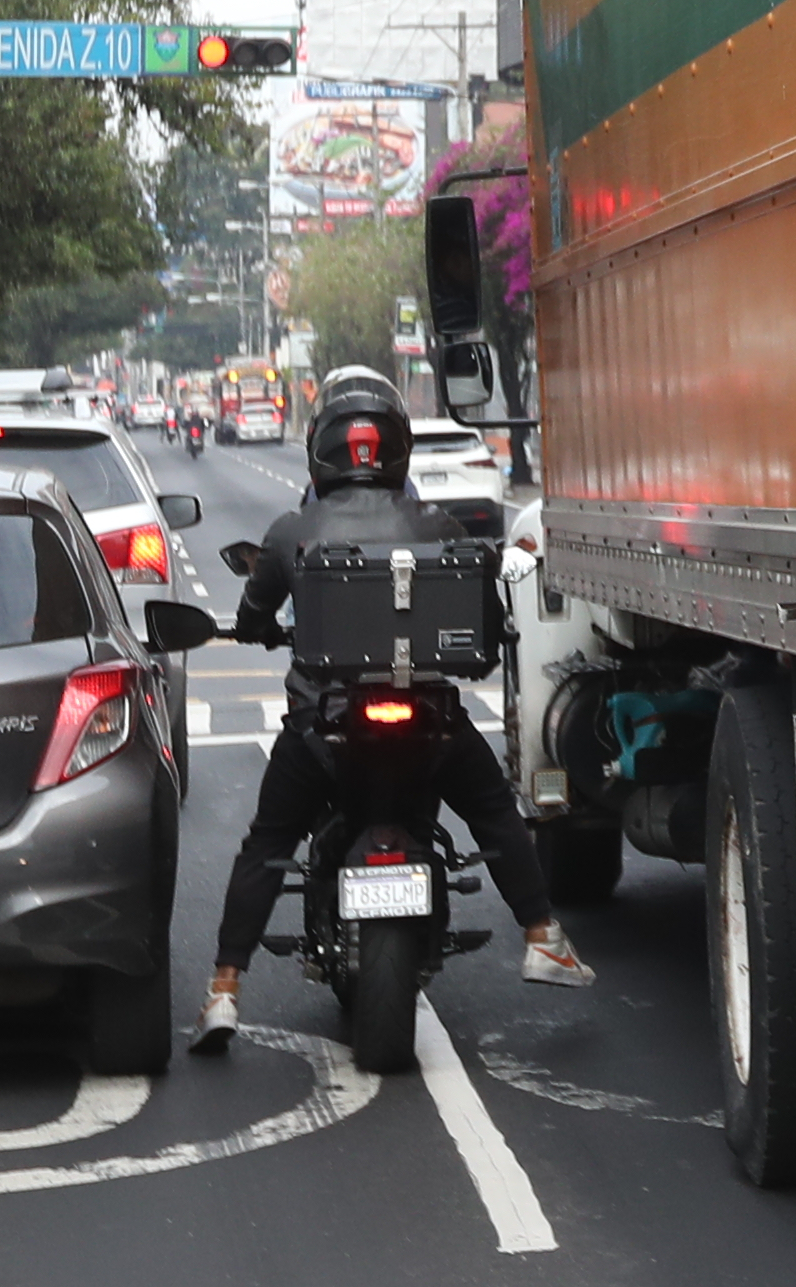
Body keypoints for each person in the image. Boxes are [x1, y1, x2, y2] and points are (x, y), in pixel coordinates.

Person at [196, 367, 589, 1052]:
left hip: (323, 728)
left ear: (320, 448)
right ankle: (541, 937)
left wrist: (263, 628)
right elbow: (489, 628)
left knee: (266, 843)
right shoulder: (434, 522)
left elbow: (254, 617)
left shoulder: (291, 530)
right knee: (495, 811)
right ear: (397, 447)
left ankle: (225, 989)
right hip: (427, 724)